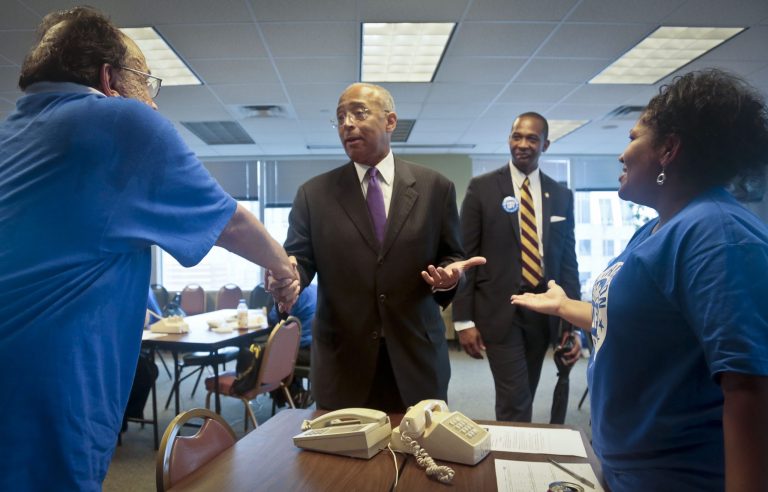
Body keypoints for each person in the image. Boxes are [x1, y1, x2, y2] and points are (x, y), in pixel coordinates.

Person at [0, 7, 297, 491]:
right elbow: (231, 223)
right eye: (144, 82)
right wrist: (284, 269)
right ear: (108, 77)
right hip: (51, 387)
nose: (153, 106)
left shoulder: (12, 131)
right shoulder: (120, 121)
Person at [510, 69, 768, 491]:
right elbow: (633, 319)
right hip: (627, 467)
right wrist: (563, 306)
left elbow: (749, 386)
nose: (622, 154)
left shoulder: (717, 234)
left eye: (633, 138)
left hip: (679, 477)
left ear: (668, 149)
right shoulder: (657, 228)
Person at [280, 82, 484, 412]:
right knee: (345, 446)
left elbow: (453, 255)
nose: (347, 124)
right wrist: (289, 277)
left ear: (390, 122)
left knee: (420, 443)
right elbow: (299, 260)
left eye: (359, 113)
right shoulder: (313, 194)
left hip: (417, 355)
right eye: (340, 117)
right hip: (343, 360)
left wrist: (450, 278)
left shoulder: (435, 188)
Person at [453, 112, 581, 423]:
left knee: (526, 391)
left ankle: (515, 444)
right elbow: (465, 257)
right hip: (500, 310)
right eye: (516, 136)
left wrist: (572, 319)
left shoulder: (561, 195)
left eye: (532, 138)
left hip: (543, 311)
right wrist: (463, 320)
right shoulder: (482, 188)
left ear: (545, 145)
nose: (522, 144)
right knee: (515, 398)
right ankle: (514, 451)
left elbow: (567, 260)